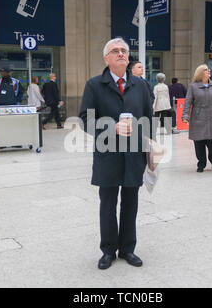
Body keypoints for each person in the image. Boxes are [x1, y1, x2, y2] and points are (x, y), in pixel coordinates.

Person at [79, 37, 153, 270]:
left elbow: (149, 120)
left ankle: (128, 249)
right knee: (108, 204)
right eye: (115, 51)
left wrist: (151, 149)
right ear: (106, 58)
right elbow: (84, 120)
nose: (121, 54)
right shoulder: (94, 85)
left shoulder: (141, 85)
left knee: (131, 203)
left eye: (124, 50)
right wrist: (112, 127)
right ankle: (108, 250)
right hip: (108, 154)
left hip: (134, 155)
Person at [182, 64, 212, 172]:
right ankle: (201, 164)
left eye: (208, 69)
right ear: (200, 73)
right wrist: (185, 116)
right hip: (198, 120)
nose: (209, 71)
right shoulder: (193, 86)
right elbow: (187, 103)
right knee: (199, 145)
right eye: (206, 70)